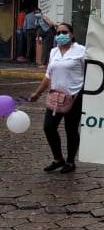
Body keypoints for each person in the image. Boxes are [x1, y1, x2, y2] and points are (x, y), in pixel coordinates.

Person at [29, 23, 86, 174]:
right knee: (48, 127)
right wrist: (37, 93)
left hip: (74, 98)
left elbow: (94, 70)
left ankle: (70, 161)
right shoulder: (54, 51)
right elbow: (48, 75)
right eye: (58, 32)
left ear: (72, 34)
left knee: (71, 130)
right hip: (55, 98)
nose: (61, 35)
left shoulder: (81, 51)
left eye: (65, 32)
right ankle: (57, 159)